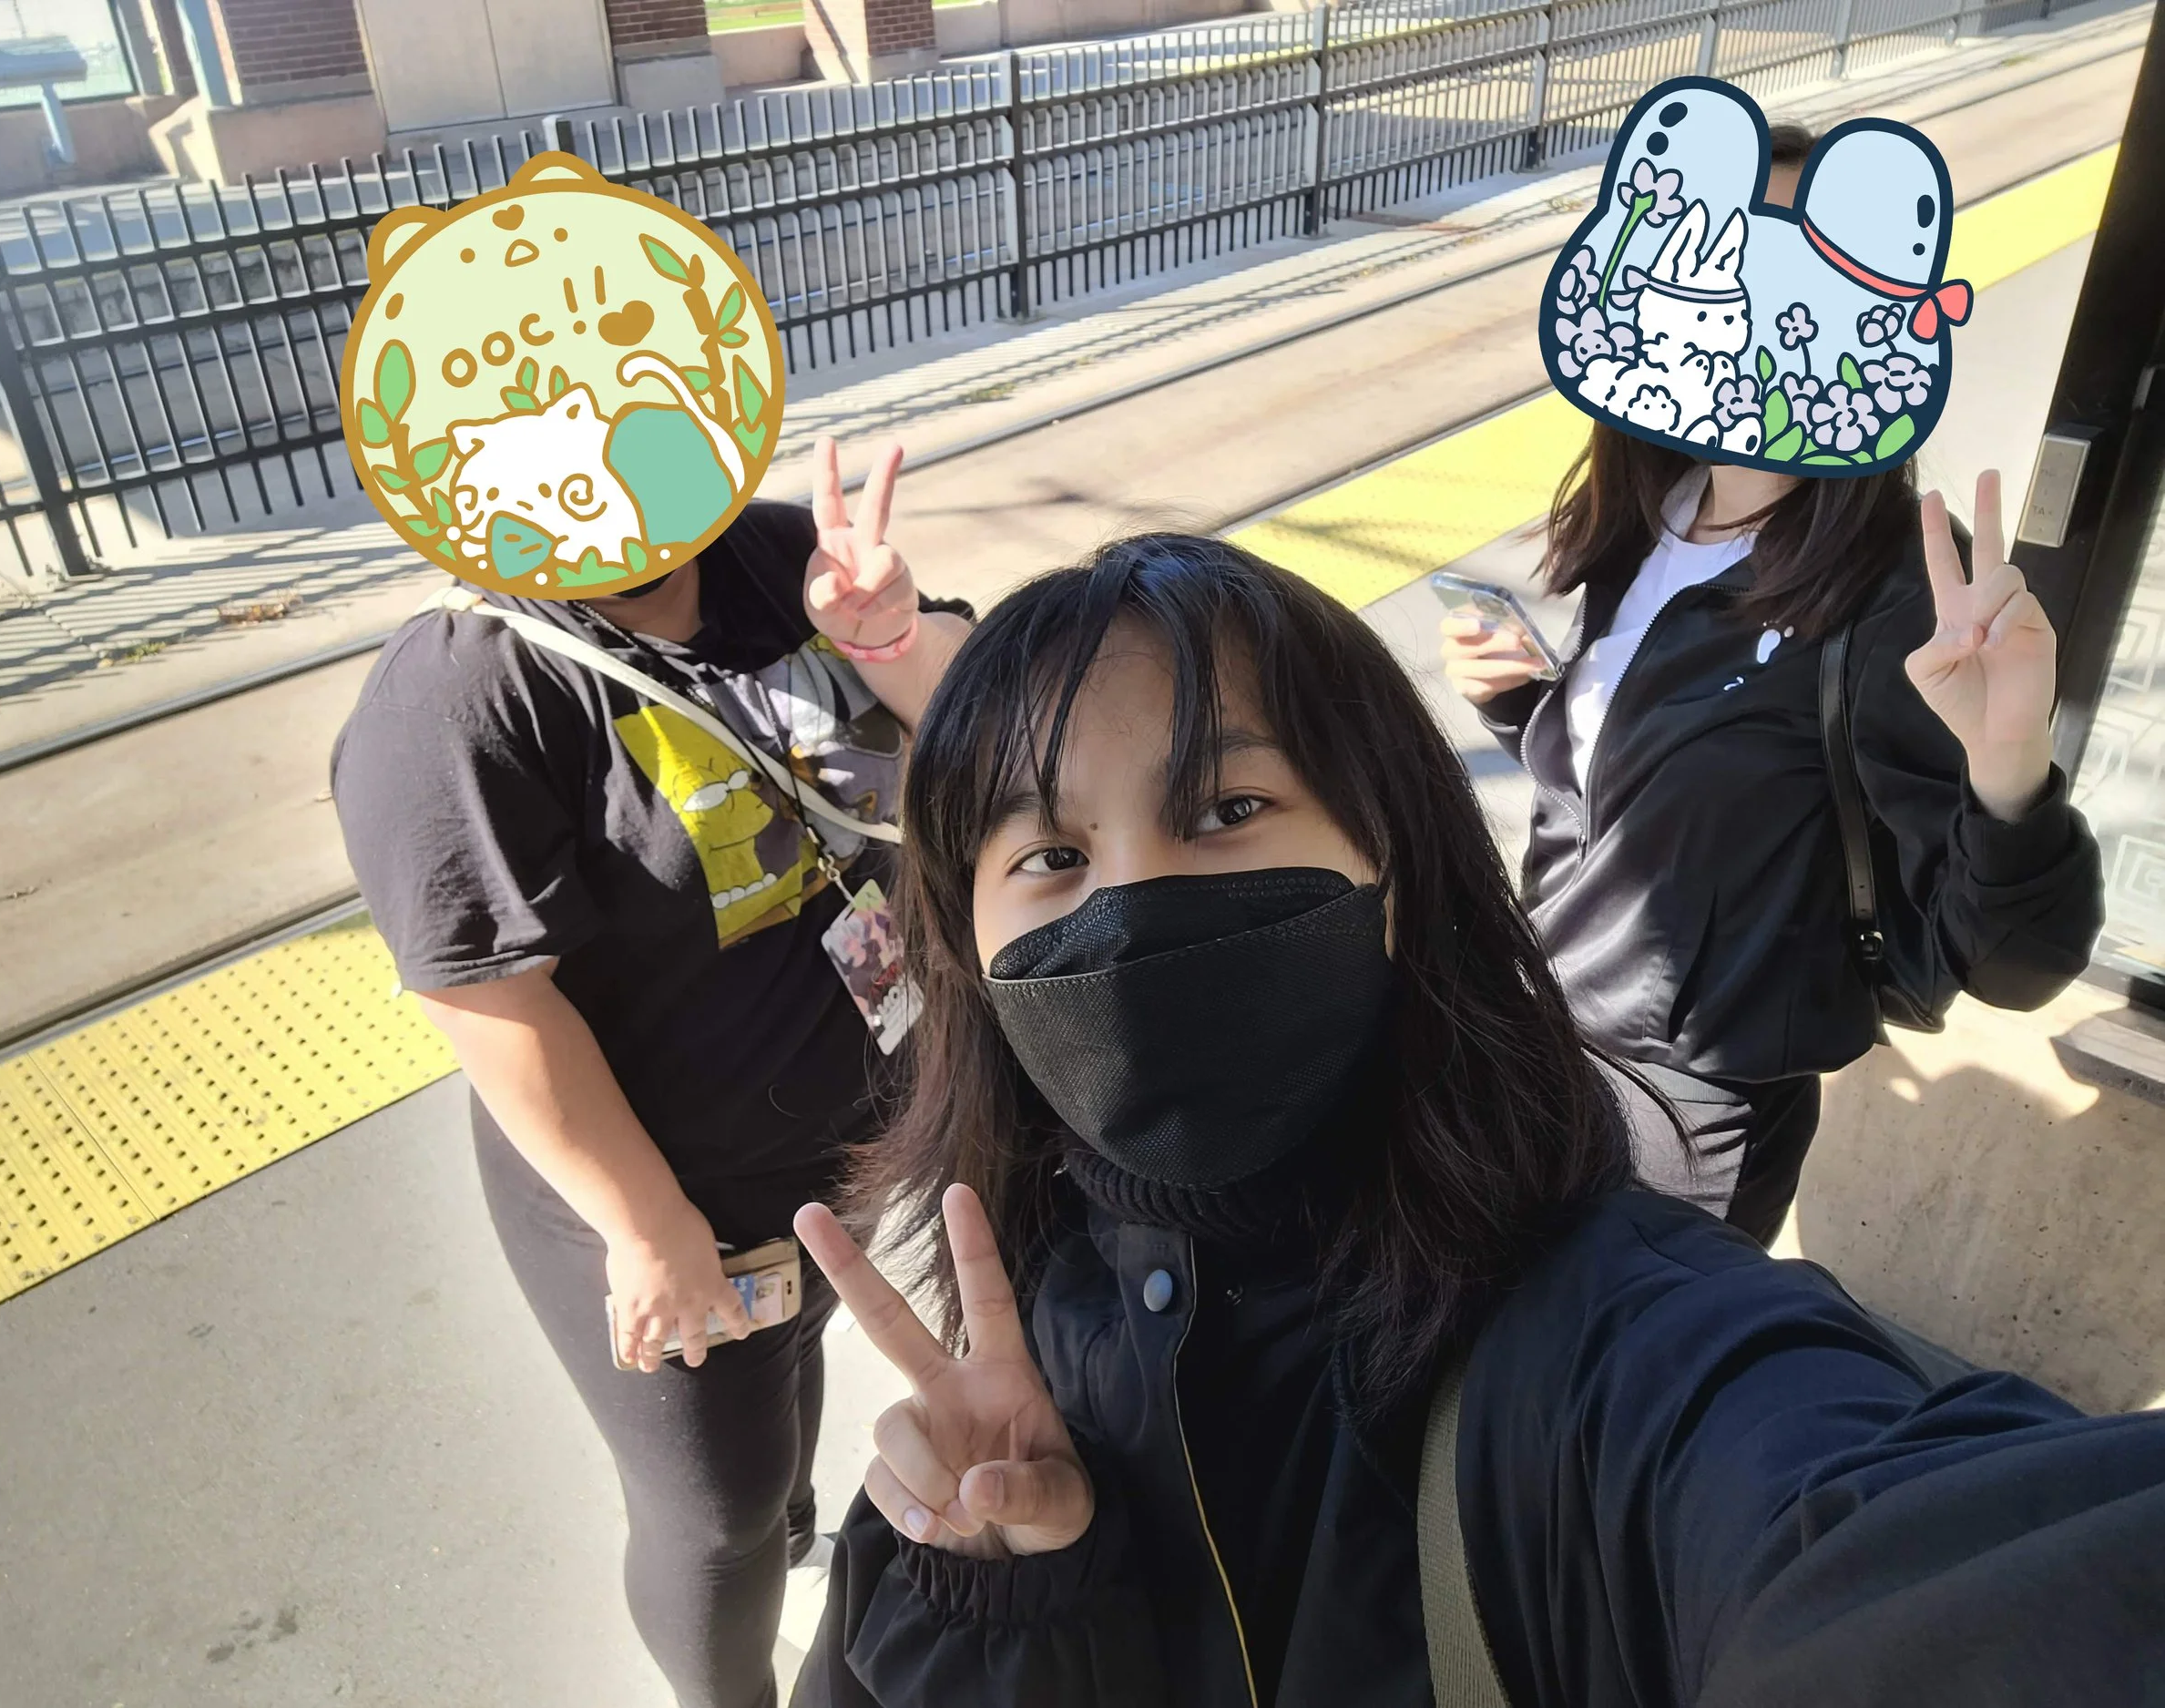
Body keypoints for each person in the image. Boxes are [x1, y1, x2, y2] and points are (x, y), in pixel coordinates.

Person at [786, 534, 2163, 1708]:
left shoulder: (1606, 1353)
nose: (1132, 901)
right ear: (967, 939)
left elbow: (1892, 1542)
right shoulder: (1020, 1336)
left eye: (1227, 806)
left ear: (1395, 865)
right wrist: (1019, 1600)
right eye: (1052, 855)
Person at [330, 438, 968, 1708]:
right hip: (663, 1191)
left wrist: (893, 635)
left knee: (793, 1370)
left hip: (850, 1127)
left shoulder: (791, 558)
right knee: (716, 1510)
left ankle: (792, 1526)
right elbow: (485, 987)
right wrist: (647, 1225)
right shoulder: (463, 687)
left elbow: (993, 745)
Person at [1440, 126, 2101, 1242]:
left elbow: (2014, 967)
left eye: (1807, 271)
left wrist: (2009, 769)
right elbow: (1681, 781)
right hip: (1536, 1047)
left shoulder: (1895, 605)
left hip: (1688, 1127)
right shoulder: (1650, 512)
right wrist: (1527, 707)